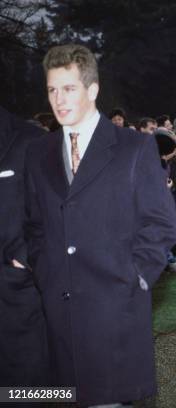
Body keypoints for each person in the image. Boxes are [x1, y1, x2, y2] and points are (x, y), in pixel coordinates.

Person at [23, 44, 176, 407]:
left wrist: (136, 275)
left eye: (69, 88)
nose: (58, 100)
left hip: (116, 311)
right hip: (59, 317)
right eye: (52, 90)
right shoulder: (37, 152)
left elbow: (162, 224)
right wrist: (44, 270)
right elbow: (34, 223)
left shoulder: (134, 148)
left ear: (92, 90)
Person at [0, 107, 49, 388]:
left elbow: (59, 210)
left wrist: (23, 258)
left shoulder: (32, 141)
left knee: (24, 393)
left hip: (16, 299)